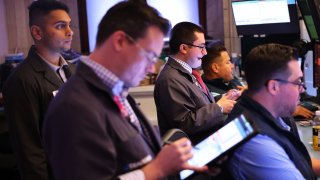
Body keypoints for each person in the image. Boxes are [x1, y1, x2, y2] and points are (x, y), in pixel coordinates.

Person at [42, 2, 210, 179]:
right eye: (150, 56)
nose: (152, 68)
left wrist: (175, 166)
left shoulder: (116, 90)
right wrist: (157, 169)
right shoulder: (74, 106)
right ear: (120, 41)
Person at [2, 1, 75, 179]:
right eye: (60, 26)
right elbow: (30, 152)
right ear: (37, 32)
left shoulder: (72, 71)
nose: (70, 31)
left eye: (69, 25)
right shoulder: (21, 81)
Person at [225, 43, 320, 179]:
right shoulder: (258, 143)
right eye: (298, 82)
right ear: (274, 86)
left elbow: (298, 163)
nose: (302, 89)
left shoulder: (263, 115)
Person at [154, 22, 238, 144]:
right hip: (196, 150)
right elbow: (184, 123)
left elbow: (199, 104)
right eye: (201, 47)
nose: (205, 52)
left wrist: (224, 98)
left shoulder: (187, 72)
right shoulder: (170, 79)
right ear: (184, 48)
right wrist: (219, 108)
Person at [202, 43, 313, 119]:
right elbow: (238, 117)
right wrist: (284, 111)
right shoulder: (210, 95)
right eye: (228, 62)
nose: (232, 66)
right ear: (215, 68)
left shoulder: (232, 81)